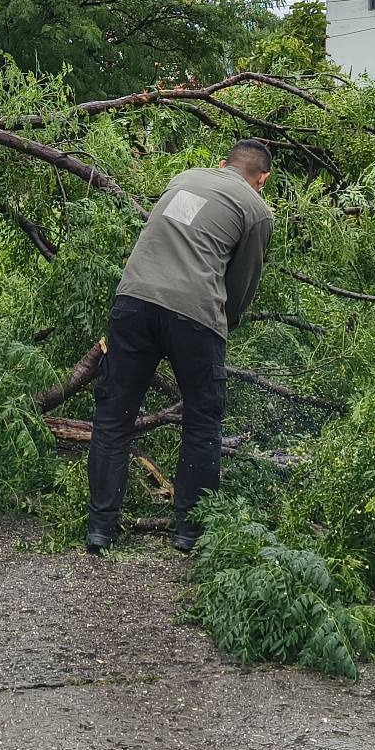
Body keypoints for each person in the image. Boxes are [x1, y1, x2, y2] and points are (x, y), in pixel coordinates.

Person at [86, 138, 275, 555]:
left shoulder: (186, 177)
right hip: (194, 314)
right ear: (262, 179)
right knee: (202, 421)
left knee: (114, 415)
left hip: (133, 300)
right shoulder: (257, 209)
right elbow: (242, 284)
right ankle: (188, 533)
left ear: (223, 163)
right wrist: (225, 325)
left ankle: (100, 529)